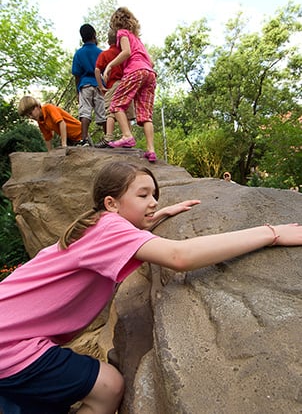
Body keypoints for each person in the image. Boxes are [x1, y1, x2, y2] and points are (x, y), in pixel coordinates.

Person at [0, 161, 301, 414]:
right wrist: (270, 233)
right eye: (143, 195)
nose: (154, 202)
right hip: (10, 346)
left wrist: (156, 216)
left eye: (155, 195)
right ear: (111, 203)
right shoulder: (110, 229)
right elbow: (179, 256)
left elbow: (127, 233)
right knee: (108, 387)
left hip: (10, 330)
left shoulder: (97, 224)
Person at [103, 7, 157, 162]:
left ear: (115, 23)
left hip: (135, 71)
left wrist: (110, 65)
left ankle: (127, 136)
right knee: (146, 115)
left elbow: (126, 52)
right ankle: (151, 150)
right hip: (149, 74)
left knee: (116, 104)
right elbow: (151, 62)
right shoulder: (138, 40)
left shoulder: (122, 33)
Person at [94, 29, 135, 148]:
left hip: (113, 85)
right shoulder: (124, 52)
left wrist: (101, 86)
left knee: (111, 111)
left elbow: (97, 70)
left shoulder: (105, 54)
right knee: (126, 111)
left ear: (108, 41)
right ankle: (128, 137)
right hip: (127, 83)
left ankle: (109, 137)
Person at [72, 23, 106, 146]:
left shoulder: (79, 53)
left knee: (85, 112)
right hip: (99, 84)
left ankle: (84, 139)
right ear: (94, 35)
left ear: (82, 38)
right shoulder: (100, 53)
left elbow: (76, 74)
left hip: (85, 84)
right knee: (102, 111)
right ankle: (108, 138)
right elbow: (106, 71)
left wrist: (77, 90)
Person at [18, 95, 82, 151]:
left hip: (80, 133)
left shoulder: (49, 108)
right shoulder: (40, 121)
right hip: (70, 138)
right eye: (27, 116)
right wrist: (49, 152)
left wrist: (64, 144)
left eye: (30, 113)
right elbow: (48, 138)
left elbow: (62, 123)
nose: (30, 117)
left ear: (37, 106)